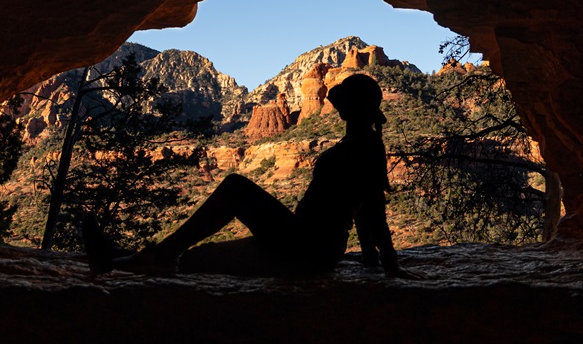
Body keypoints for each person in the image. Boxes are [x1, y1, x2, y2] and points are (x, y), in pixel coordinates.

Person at [81, 72, 399, 276]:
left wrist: (388, 265)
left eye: (345, 102)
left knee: (235, 187)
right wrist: (370, 259)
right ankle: (130, 257)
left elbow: (373, 211)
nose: (339, 107)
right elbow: (361, 210)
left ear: (357, 106)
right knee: (200, 255)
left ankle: (155, 257)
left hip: (309, 245)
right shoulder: (360, 142)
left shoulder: (366, 147)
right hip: (309, 240)